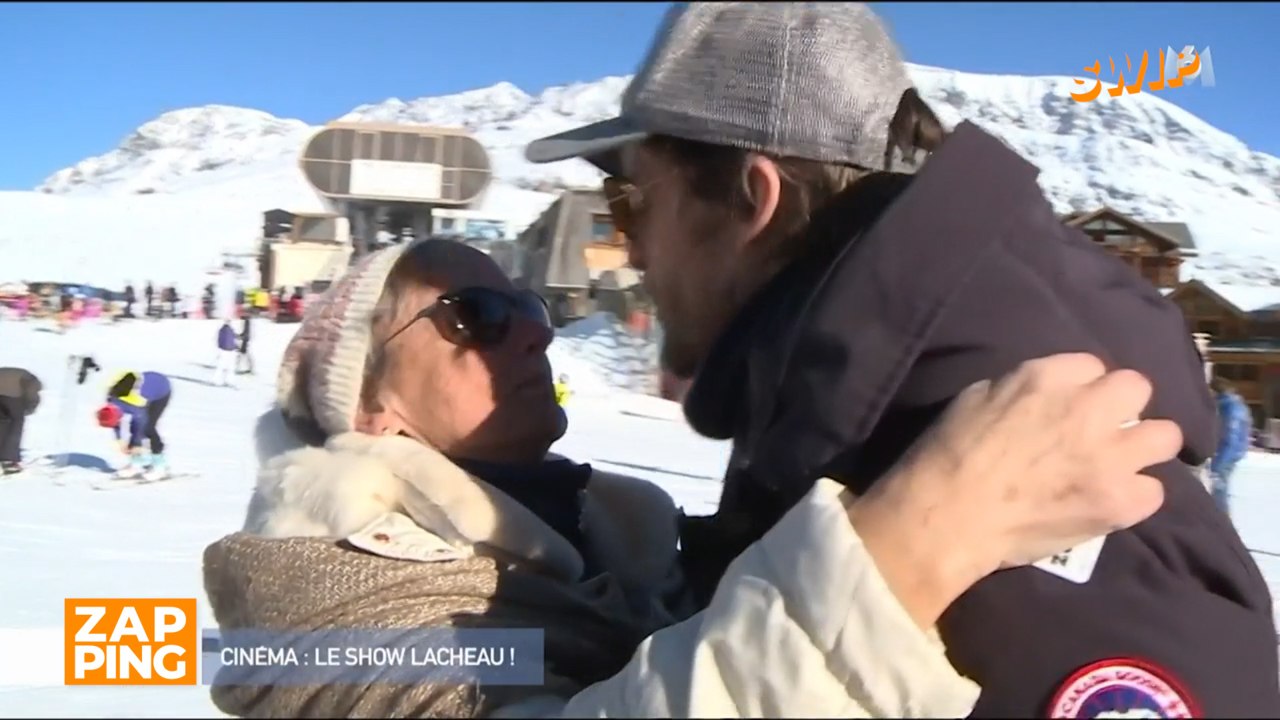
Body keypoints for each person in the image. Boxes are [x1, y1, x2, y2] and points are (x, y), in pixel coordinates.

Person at [523, 3, 1280, 716]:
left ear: (753, 199)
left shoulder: (969, 446)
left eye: (633, 202)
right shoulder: (849, 390)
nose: (630, 247)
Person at [202, 239, 1178, 718]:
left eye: (529, 304)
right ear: (373, 410)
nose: (535, 327)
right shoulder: (328, 620)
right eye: (473, 314)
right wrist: (920, 537)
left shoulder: (611, 547)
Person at [97, 370, 173, 479]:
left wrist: (136, 445)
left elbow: (139, 426)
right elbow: (115, 424)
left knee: (148, 428)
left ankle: (160, 464)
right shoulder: (111, 403)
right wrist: (120, 441)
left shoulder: (134, 404)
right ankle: (137, 462)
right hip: (143, 387)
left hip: (161, 391)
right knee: (137, 429)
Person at [1208, 377, 1252, 515]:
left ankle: (1221, 523)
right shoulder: (1232, 405)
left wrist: (1218, 463)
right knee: (1218, 489)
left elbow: (1230, 438)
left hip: (1227, 454)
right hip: (1230, 453)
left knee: (1218, 489)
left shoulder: (1230, 408)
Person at [0, 367, 41, 474]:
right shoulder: (33, 382)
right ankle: (9, 462)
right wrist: (29, 408)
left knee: (2, 424)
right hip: (12, 393)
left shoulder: (23, 376)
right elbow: (32, 396)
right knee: (16, 425)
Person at [214, 319, 238, 387]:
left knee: (224, 366)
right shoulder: (229, 330)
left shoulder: (223, 330)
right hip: (228, 350)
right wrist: (235, 346)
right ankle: (223, 380)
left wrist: (220, 347)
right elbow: (232, 340)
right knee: (227, 366)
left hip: (226, 350)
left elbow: (220, 340)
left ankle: (224, 380)